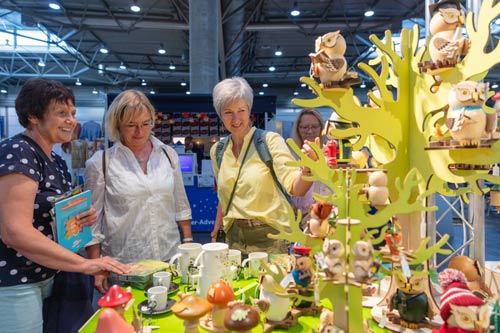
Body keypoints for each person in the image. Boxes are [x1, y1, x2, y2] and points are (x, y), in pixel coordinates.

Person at [0, 77, 130, 333]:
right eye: (61, 113)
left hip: (50, 275)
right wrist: (84, 264)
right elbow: (14, 231)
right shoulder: (18, 151)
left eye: (72, 112)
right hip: (17, 281)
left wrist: (80, 218)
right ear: (33, 116)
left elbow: (50, 216)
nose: (71, 120)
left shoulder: (56, 160)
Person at [84, 89, 193, 293]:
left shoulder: (168, 154)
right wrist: (96, 264)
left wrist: (188, 245)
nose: (140, 132)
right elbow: (92, 221)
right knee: (127, 322)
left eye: (146, 124)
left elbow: (180, 203)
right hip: (125, 265)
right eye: (131, 126)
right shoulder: (101, 163)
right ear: (117, 125)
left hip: (168, 259)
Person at [209, 77, 317, 256]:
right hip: (233, 238)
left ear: (249, 110)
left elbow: (296, 188)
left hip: (271, 238)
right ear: (220, 114)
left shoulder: (269, 141)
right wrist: (216, 232)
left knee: (271, 284)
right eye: (228, 112)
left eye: (241, 110)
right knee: (237, 284)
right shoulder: (218, 151)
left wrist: (308, 168)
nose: (236, 119)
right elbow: (224, 197)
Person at [290, 108, 327, 229]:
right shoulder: (290, 154)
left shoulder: (329, 153)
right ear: (298, 129)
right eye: (305, 127)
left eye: (314, 126)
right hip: (298, 218)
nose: (310, 131)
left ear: (321, 128)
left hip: (325, 216)